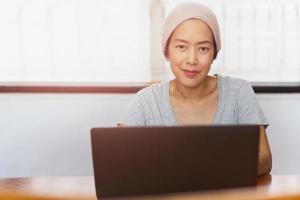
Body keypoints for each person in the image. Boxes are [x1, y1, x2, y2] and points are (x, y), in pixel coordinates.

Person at [118, 2, 272, 176]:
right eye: (181, 47)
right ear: (167, 51)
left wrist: (196, 168)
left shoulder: (238, 92)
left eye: (203, 48)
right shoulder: (146, 101)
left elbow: (264, 159)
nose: (192, 59)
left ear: (214, 53)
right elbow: (119, 159)